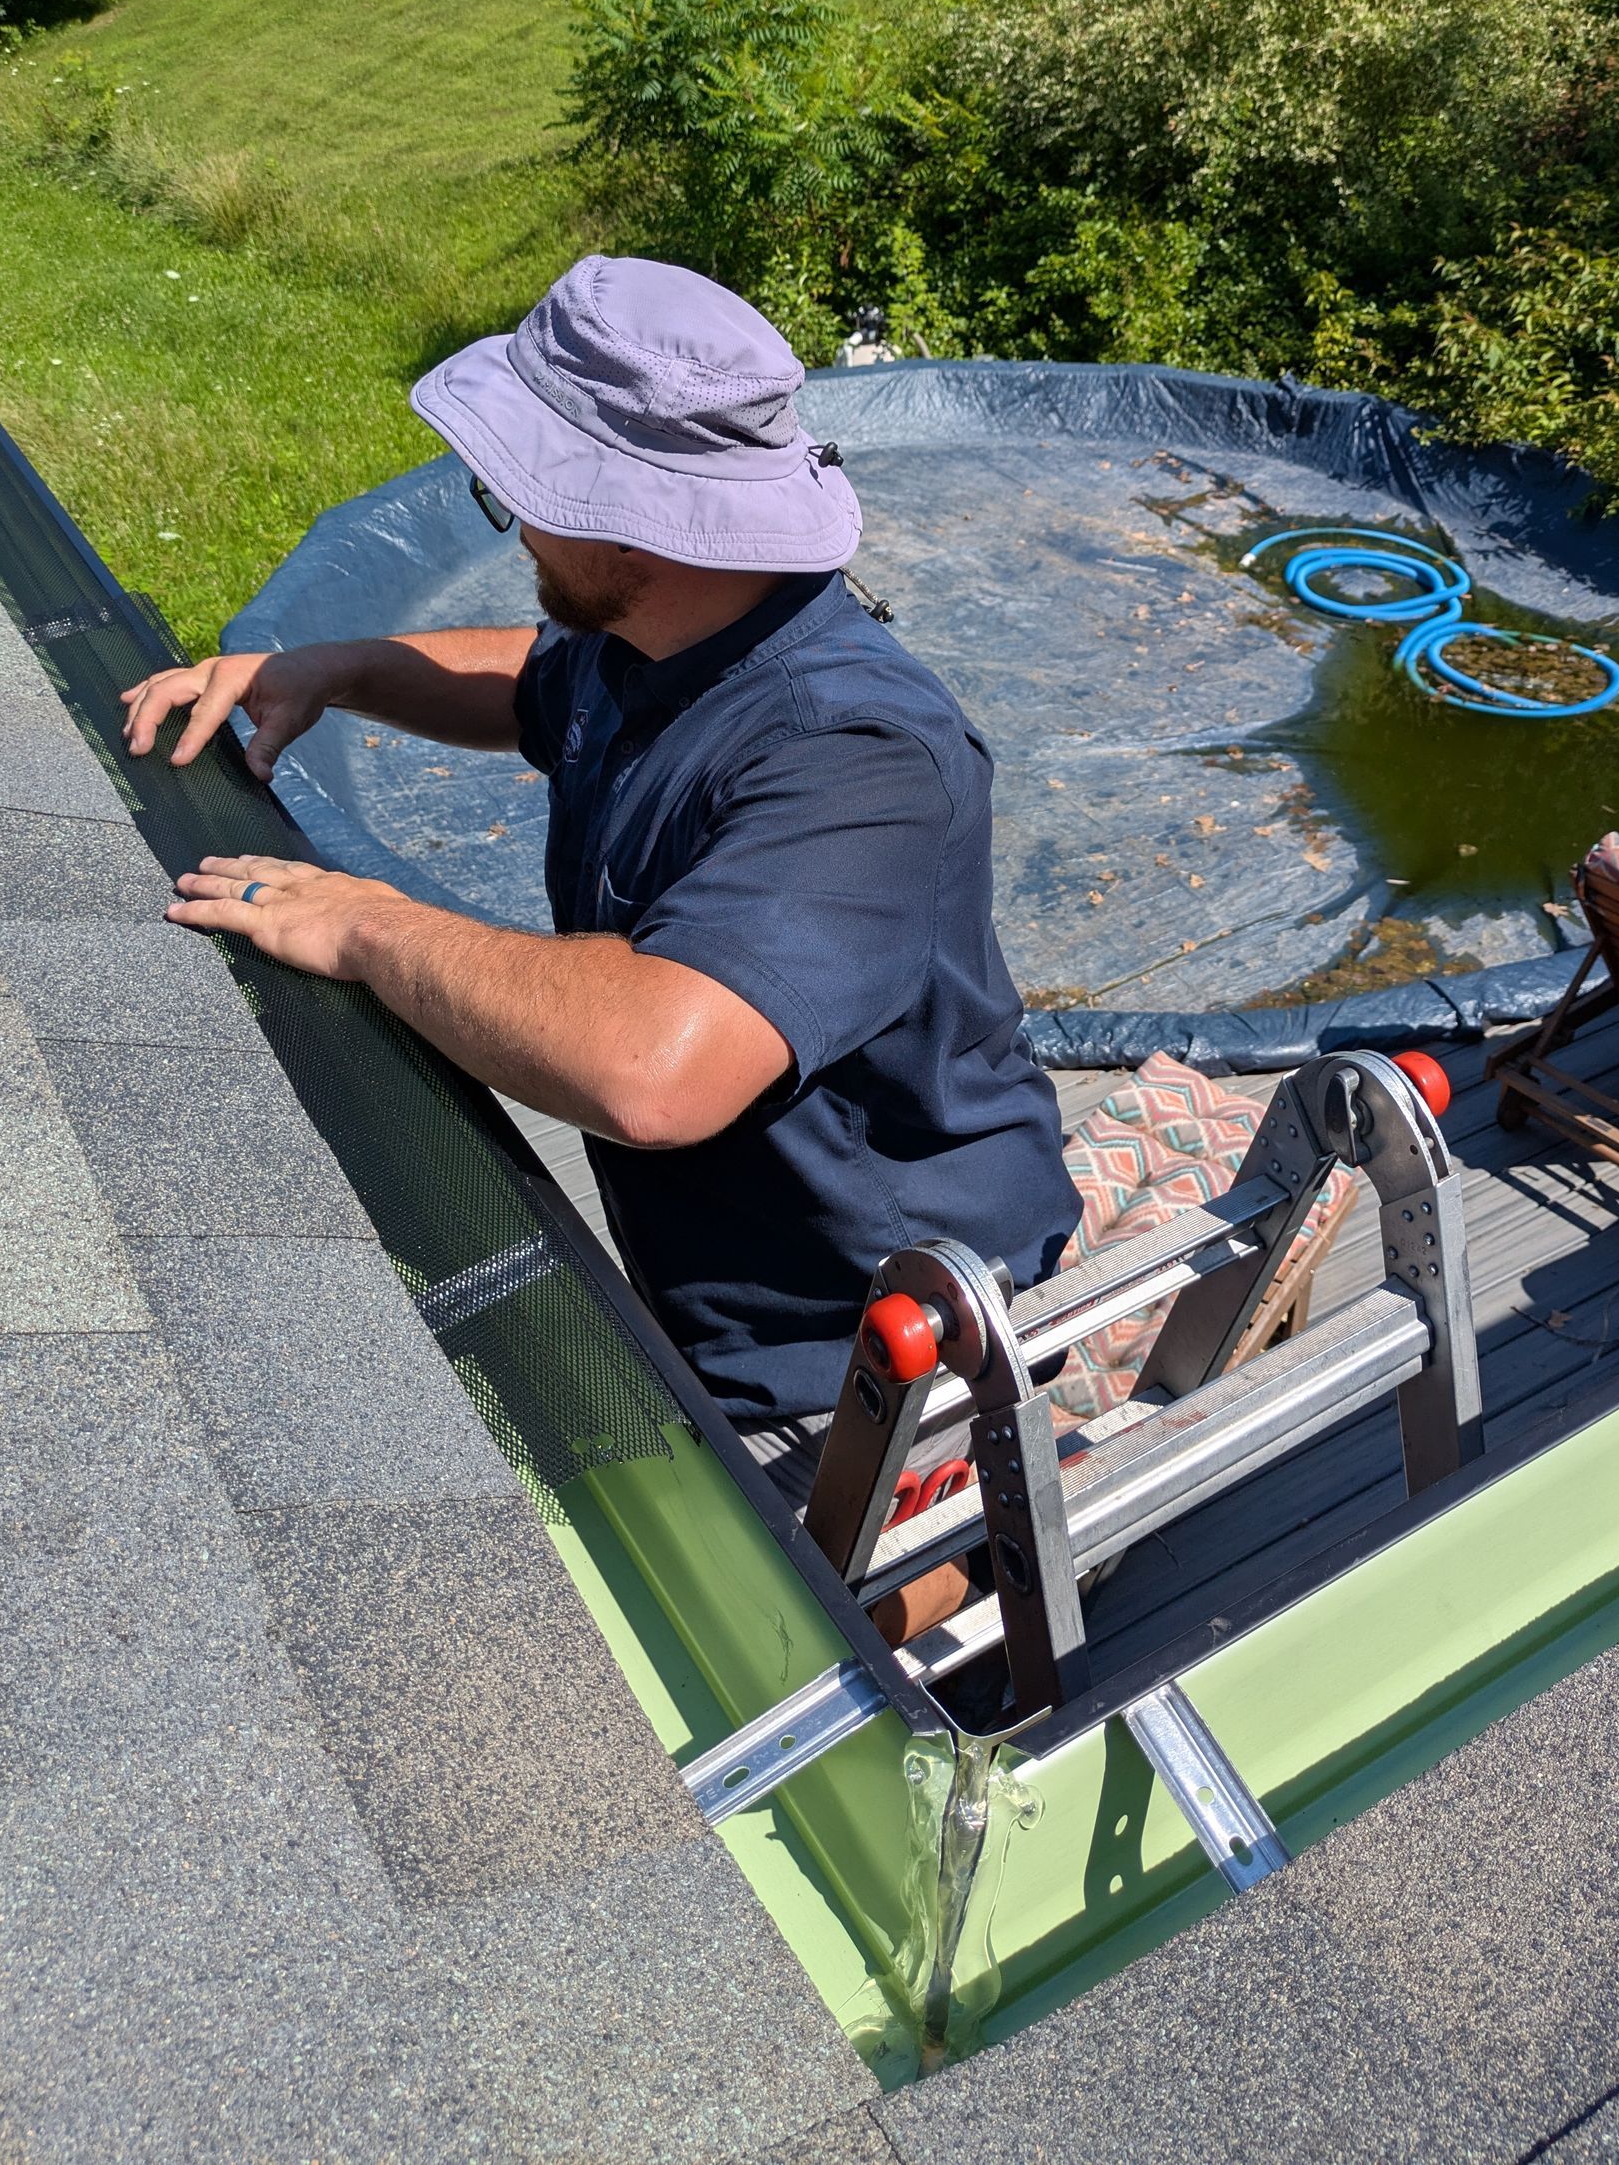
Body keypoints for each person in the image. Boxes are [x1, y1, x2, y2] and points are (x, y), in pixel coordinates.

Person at [123, 254, 1078, 1487]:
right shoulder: (662, 635)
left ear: (643, 519)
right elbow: (527, 681)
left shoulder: (858, 759)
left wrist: (368, 927)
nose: (513, 517)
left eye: (522, 488)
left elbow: (650, 1069)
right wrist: (332, 666)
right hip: (732, 1293)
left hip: (871, 1347)